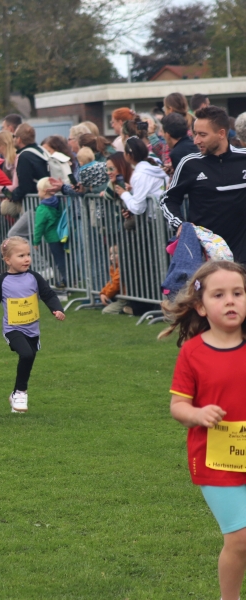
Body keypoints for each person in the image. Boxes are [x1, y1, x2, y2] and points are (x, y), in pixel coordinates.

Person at [162, 261, 246, 600]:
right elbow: (178, 407)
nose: (230, 301)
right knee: (240, 539)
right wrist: (197, 414)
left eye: (238, 293)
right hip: (215, 461)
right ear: (200, 306)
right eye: (219, 295)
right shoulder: (193, 352)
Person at [0, 236, 66, 413]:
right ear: (8, 260)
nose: (26, 259)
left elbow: (48, 294)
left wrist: (56, 309)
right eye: (21, 256)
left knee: (29, 357)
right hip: (13, 329)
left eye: (28, 255)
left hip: (32, 329)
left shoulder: (34, 277)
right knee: (26, 354)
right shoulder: (2, 281)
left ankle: (15, 394)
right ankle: (20, 393)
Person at [162, 106, 246, 263]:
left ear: (221, 133)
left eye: (202, 134)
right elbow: (168, 200)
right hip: (207, 259)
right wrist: (180, 225)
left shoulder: (243, 159)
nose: (196, 140)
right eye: (195, 134)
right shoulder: (189, 164)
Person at [6, 124, 50, 238]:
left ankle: (27, 251)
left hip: (36, 205)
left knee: (14, 234)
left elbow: (25, 185)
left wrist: (13, 195)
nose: (13, 139)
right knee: (41, 239)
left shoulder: (25, 156)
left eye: (14, 136)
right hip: (50, 202)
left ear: (19, 139)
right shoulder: (42, 151)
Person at [114, 138, 168, 217]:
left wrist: (124, 194)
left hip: (155, 218)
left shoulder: (139, 174)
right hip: (166, 216)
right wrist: (132, 190)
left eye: (124, 151)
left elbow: (138, 208)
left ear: (129, 155)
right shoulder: (154, 164)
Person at [32, 178, 67, 288]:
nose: (38, 193)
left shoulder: (42, 209)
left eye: (38, 190)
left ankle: (66, 280)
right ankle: (71, 278)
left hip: (52, 238)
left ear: (44, 191)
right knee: (67, 258)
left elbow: (39, 226)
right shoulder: (59, 202)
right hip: (63, 234)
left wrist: (36, 242)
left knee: (59, 260)